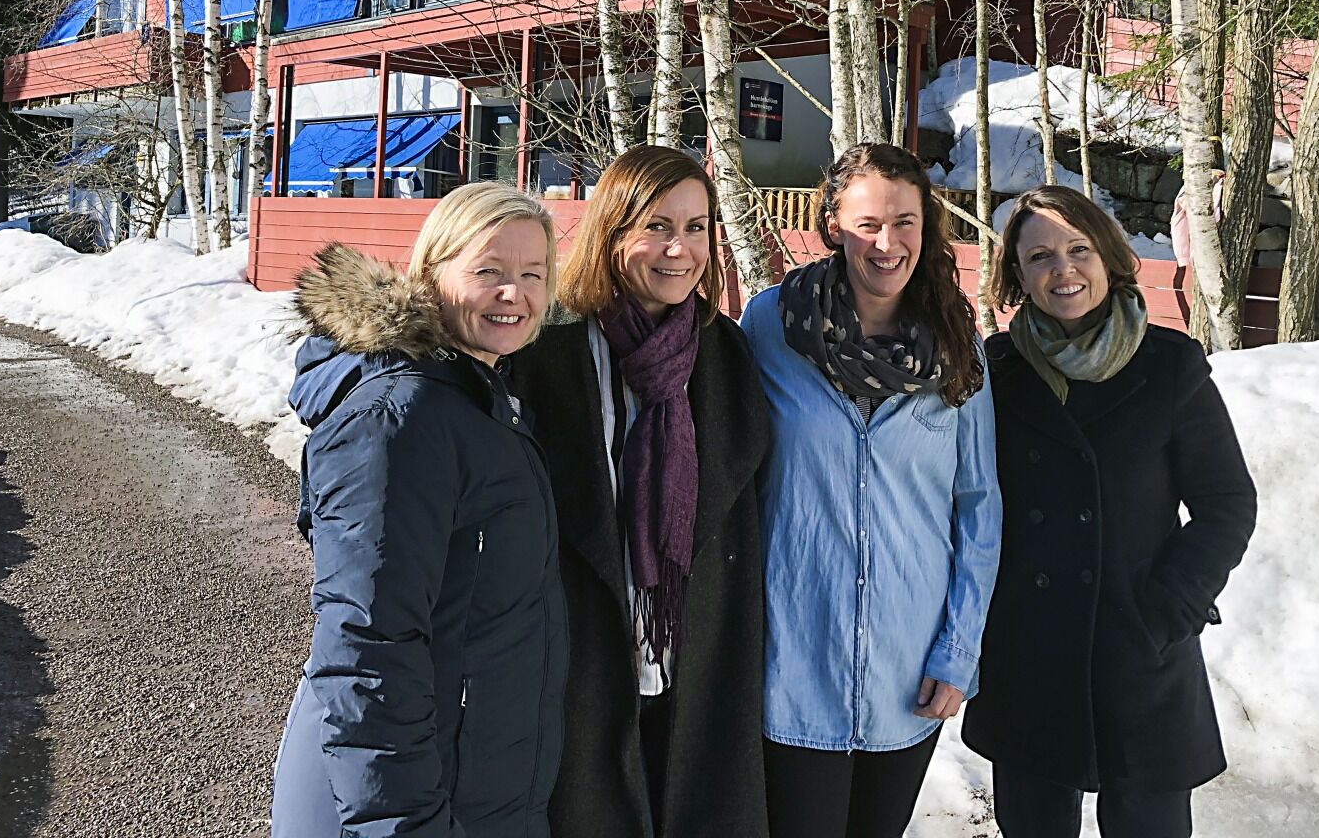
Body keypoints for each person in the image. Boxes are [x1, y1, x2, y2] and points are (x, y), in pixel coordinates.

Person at [272, 182, 567, 838]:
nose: (513, 293)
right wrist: (402, 823)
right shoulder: (401, 419)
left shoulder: (481, 400)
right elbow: (366, 644)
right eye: (488, 271)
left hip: (469, 785)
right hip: (396, 803)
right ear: (431, 273)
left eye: (532, 274)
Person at [961, 185, 1257, 838]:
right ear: (1017, 273)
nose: (1061, 269)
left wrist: (1170, 607)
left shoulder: (1170, 365)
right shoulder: (998, 373)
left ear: (1109, 257)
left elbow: (1226, 503)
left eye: (1078, 249)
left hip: (1138, 651)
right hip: (1028, 655)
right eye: (1039, 257)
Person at [506, 145, 770, 838]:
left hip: (698, 658)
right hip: (583, 660)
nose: (678, 250)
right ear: (613, 230)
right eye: (656, 226)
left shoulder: (727, 355)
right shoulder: (547, 350)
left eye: (695, 227)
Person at [740, 142, 1001, 838]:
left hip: (906, 668)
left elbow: (979, 505)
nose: (887, 244)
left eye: (905, 222)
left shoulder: (955, 344)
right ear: (832, 225)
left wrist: (959, 650)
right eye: (867, 224)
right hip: (793, 660)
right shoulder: (769, 326)